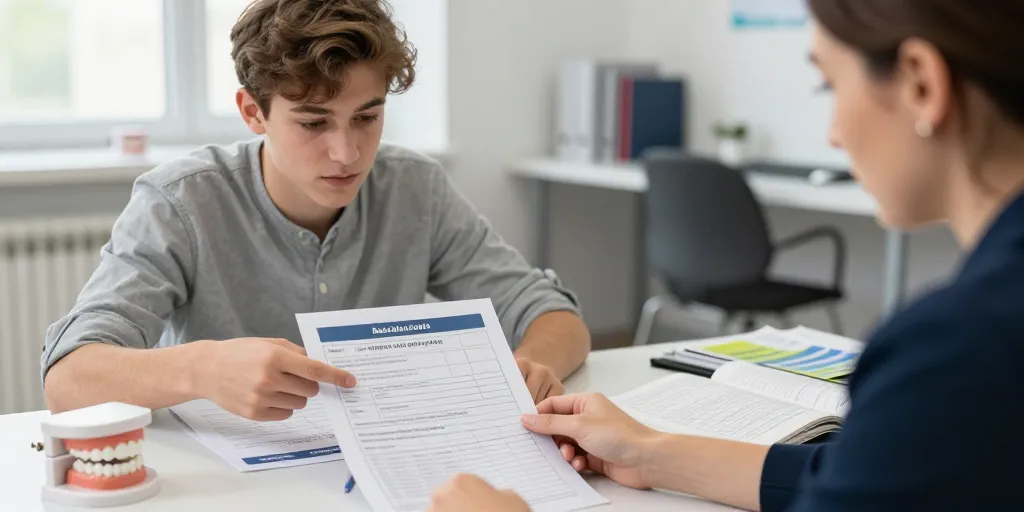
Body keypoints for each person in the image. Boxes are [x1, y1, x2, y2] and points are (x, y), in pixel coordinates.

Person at [429, 0, 1024, 510]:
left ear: (922, 83)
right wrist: (650, 452)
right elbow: (868, 474)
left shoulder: (957, 350)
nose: (833, 135)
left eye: (830, 85)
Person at [41, 0, 590, 420]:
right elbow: (69, 377)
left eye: (367, 117)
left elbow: (551, 313)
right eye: (313, 122)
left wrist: (532, 365)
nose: (347, 153)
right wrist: (203, 368)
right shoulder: (180, 202)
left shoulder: (416, 188)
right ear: (253, 112)